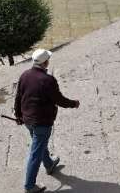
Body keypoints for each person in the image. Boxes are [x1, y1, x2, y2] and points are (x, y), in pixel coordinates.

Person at [15, 49, 80, 193]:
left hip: (27, 119)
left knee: (39, 143)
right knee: (35, 153)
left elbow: (18, 97)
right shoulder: (48, 80)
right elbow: (59, 100)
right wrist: (73, 103)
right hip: (42, 121)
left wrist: (18, 116)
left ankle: (49, 164)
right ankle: (29, 186)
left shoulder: (24, 75)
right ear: (45, 62)